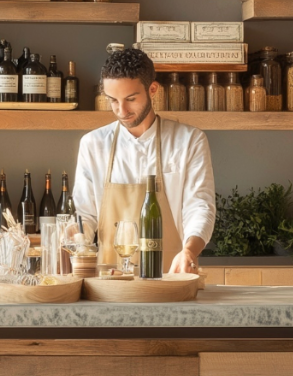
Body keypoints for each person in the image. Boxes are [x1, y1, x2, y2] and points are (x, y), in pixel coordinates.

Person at [73, 48, 216, 274]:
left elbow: (199, 206)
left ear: (152, 89)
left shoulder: (189, 141)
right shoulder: (93, 144)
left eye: (131, 99)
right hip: (110, 281)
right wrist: (76, 236)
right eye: (113, 101)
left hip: (171, 276)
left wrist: (189, 251)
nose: (122, 110)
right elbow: (85, 214)